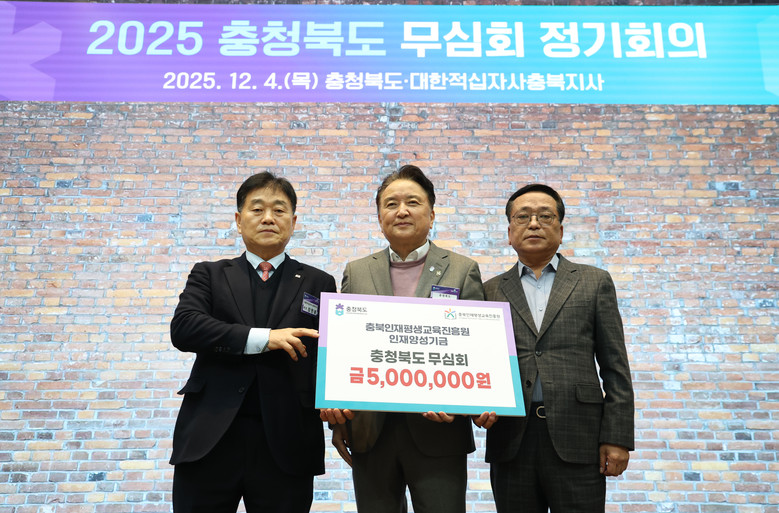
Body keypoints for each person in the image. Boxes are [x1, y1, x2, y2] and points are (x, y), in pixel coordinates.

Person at [321, 164, 493, 513]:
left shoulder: (462, 269)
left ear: (431, 214)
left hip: (439, 431)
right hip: (370, 432)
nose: (401, 211)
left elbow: (477, 349)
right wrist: (339, 420)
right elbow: (344, 349)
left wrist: (468, 402)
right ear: (379, 218)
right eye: (391, 204)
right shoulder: (357, 271)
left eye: (412, 202)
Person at [169, 172, 337, 513]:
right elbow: (185, 327)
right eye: (257, 209)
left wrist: (338, 404)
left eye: (279, 210)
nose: (268, 218)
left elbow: (331, 356)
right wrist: (264, 338)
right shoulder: (209, 274)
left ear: (293, 221)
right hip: (209, 437)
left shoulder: (319, 282)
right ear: (238, 219)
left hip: (288, 441)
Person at [483, 183, 635, 513]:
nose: (533, 224)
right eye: (522, 217)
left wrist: (617, 437)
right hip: (511, 439)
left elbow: (615, 367)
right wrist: (477, 407)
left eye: (545, 216)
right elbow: (482, 364)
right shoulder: (490, 291)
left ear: (561, 230)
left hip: (578, 436)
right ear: (509, 232)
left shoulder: (594, 282)